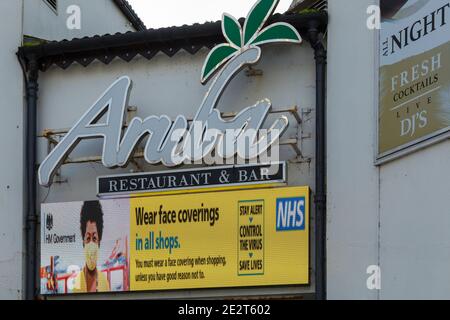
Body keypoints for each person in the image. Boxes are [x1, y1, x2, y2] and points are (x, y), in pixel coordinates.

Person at [73, 201, 110, 293]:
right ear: (83, 242)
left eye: (94, 238)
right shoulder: (76, 284)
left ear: (99, 242)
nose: (91, 245)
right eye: (88, 238)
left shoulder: (104, 282)